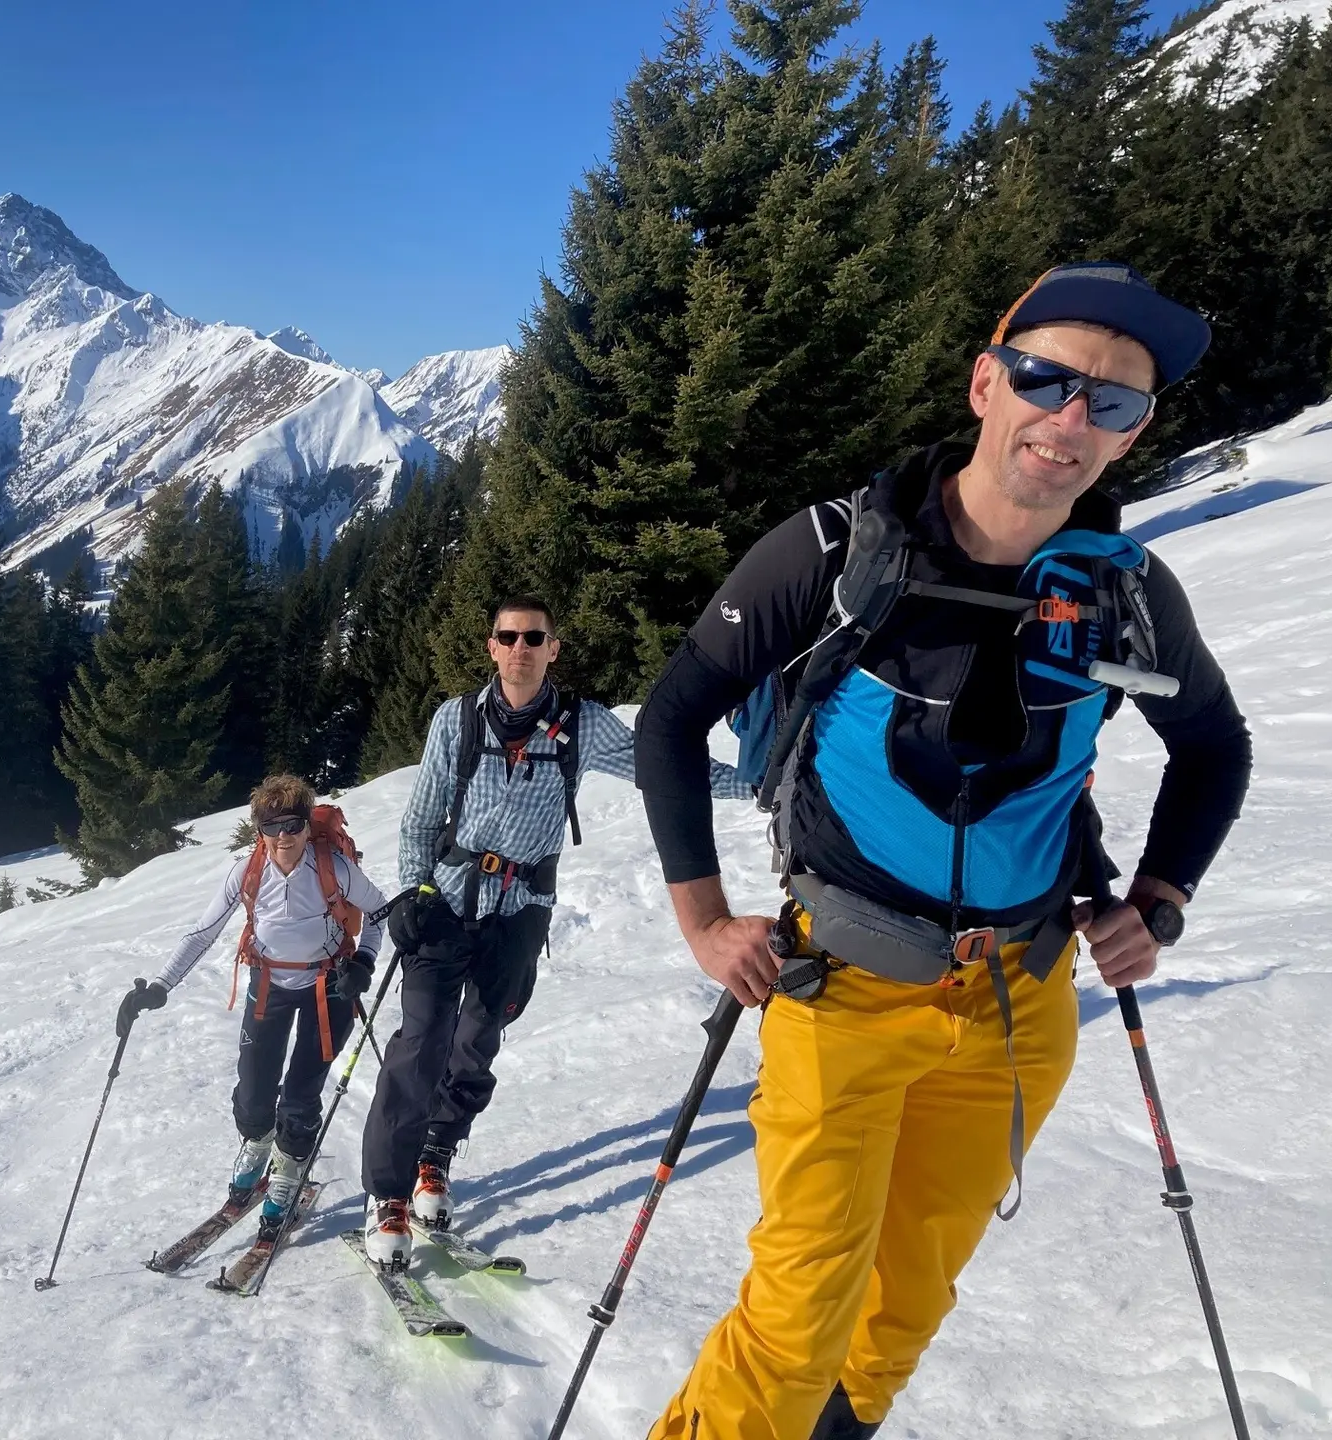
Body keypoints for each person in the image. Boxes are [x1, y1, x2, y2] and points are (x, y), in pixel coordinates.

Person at [635, 262, 1252, 1438]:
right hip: (842, 989)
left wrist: (1161, 900)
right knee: (796, 1322)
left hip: (1021, 1001)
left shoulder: (1126, 594)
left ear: (1134, 433)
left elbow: (1215, 744)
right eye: (1047, 379)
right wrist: (703, 921)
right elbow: (673, 717)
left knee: (905, 1305)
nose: (1071, 419)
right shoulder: (837, 553)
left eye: (1113, 401)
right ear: (986, 384)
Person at [358, 594, 746, 1266]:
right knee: (421, 1043)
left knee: (478, 1042)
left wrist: (761, 786)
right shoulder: (457, 720)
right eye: (509, 637)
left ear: (553, 648)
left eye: (534, 638)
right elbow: (421, 818)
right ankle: (387, 1194)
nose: (521, 649)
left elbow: (663, 769)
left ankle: (434, 1156)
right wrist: (412, 891)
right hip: (446, 901)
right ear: (492, 646)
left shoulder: (583, 726)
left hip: (522, 909)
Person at [115, 775, 389, 1241]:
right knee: (253, 1089)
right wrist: (160, 986)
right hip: (269, 986)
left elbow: (380, 910)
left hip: (329, 986)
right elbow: (203, 933)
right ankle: (259, 1141)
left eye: (293, 824)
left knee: (301, 1092)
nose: (283, 836)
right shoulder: (247, 873)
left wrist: (363, 960)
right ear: (259, 830)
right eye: (271, 826)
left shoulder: (335, 867)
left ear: (307, 825)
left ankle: (289, 1167)